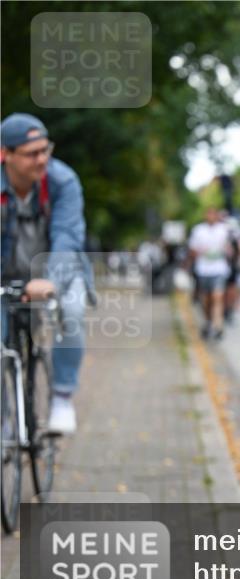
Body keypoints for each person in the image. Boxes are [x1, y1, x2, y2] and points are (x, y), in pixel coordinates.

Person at [1, 113, 94, 434]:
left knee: (71, 311)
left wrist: (51, 280)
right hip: (6, 277)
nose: (42, 159)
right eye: (31, 153)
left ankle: (62, 397)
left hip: (57, 271)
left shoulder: (62, 181)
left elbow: (68, 237)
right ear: (5, 154)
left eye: (45, 150)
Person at [187, 206, 234, 340]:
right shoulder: (198, 230)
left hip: (219, 269)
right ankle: (208, 322)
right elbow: (192, 250)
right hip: (203, 269)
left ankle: (218, 325)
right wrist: (202, 252)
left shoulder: (223, 230)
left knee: (217, 297)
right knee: (207, 299)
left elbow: (229, 248)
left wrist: (226, 251)